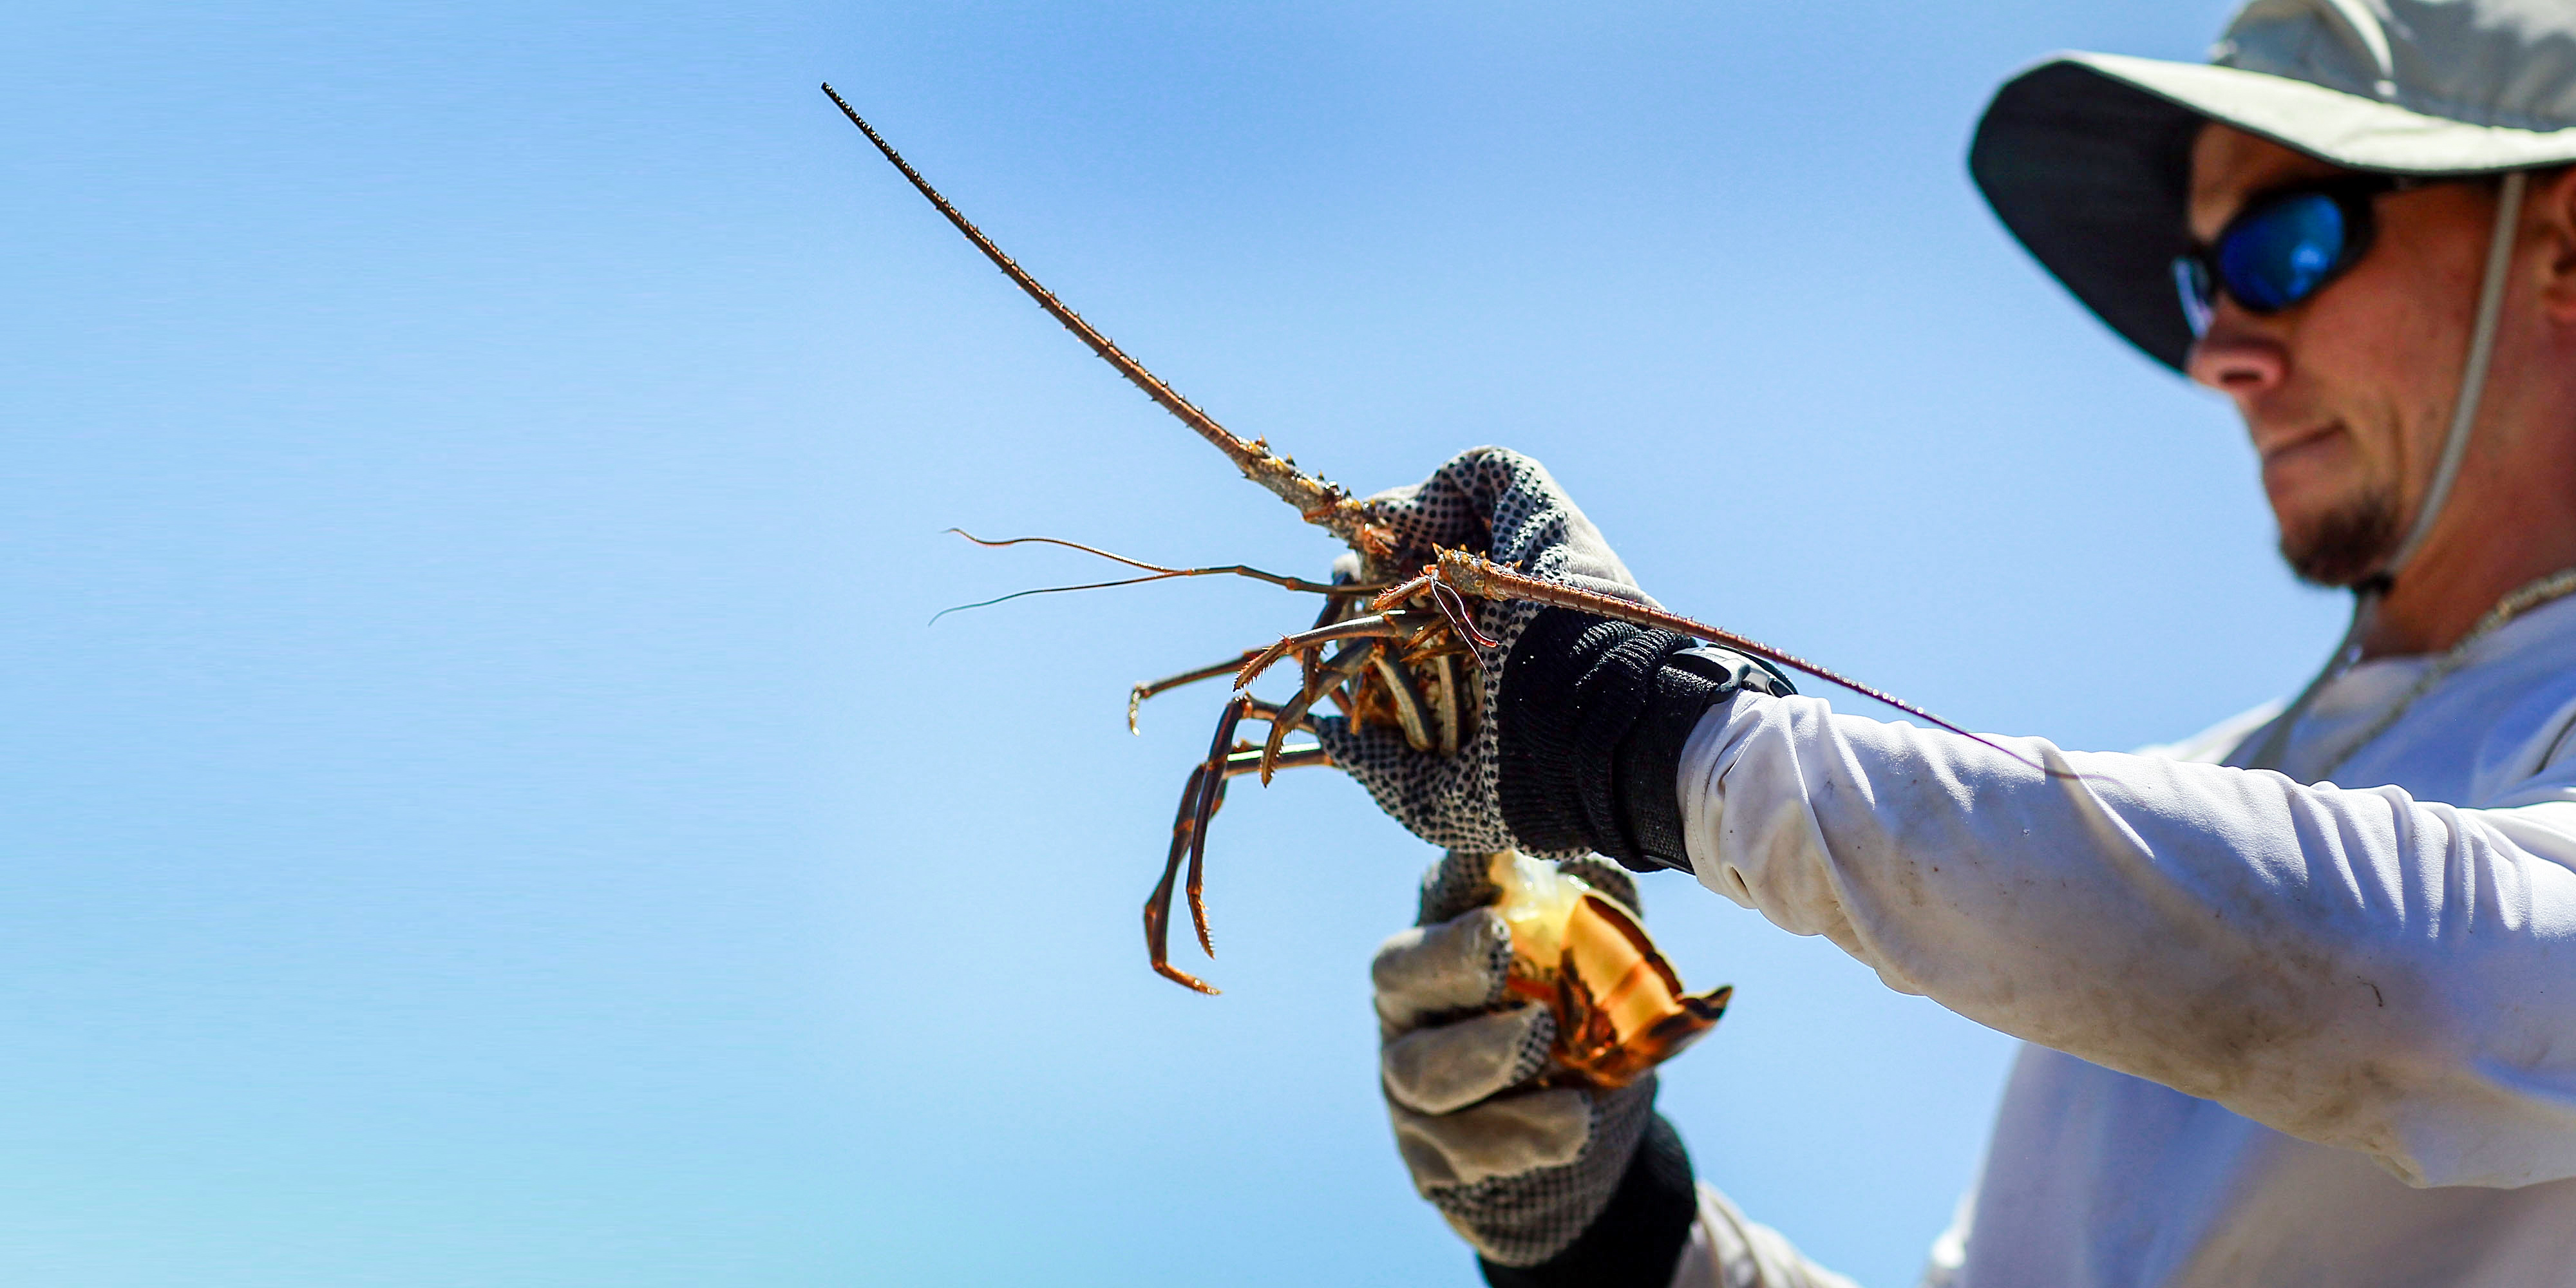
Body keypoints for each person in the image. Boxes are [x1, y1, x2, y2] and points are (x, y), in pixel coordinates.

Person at [1318, 3, 2576, 1284]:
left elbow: (2433, 993)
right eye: (2203, 279)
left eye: (2285, 242)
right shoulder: (2218, 799)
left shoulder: (2265, 859)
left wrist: (1676, 743)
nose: (2215, 351)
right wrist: (1614, 1232)